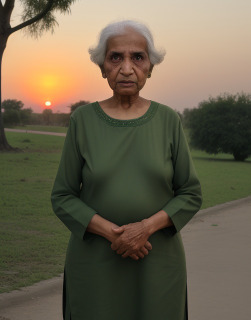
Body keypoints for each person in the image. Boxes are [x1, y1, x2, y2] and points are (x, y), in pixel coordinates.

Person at [51, 20, 202, 320]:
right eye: (115, 57)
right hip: (94, 263)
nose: (127, 67)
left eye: (138, 57)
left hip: (157, 262)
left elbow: (190, 193)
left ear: (150, 67)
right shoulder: (83, 121)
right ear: (102, 67)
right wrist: (114, 234)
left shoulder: (168, 121)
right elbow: (63, 197)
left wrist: (144, 228)